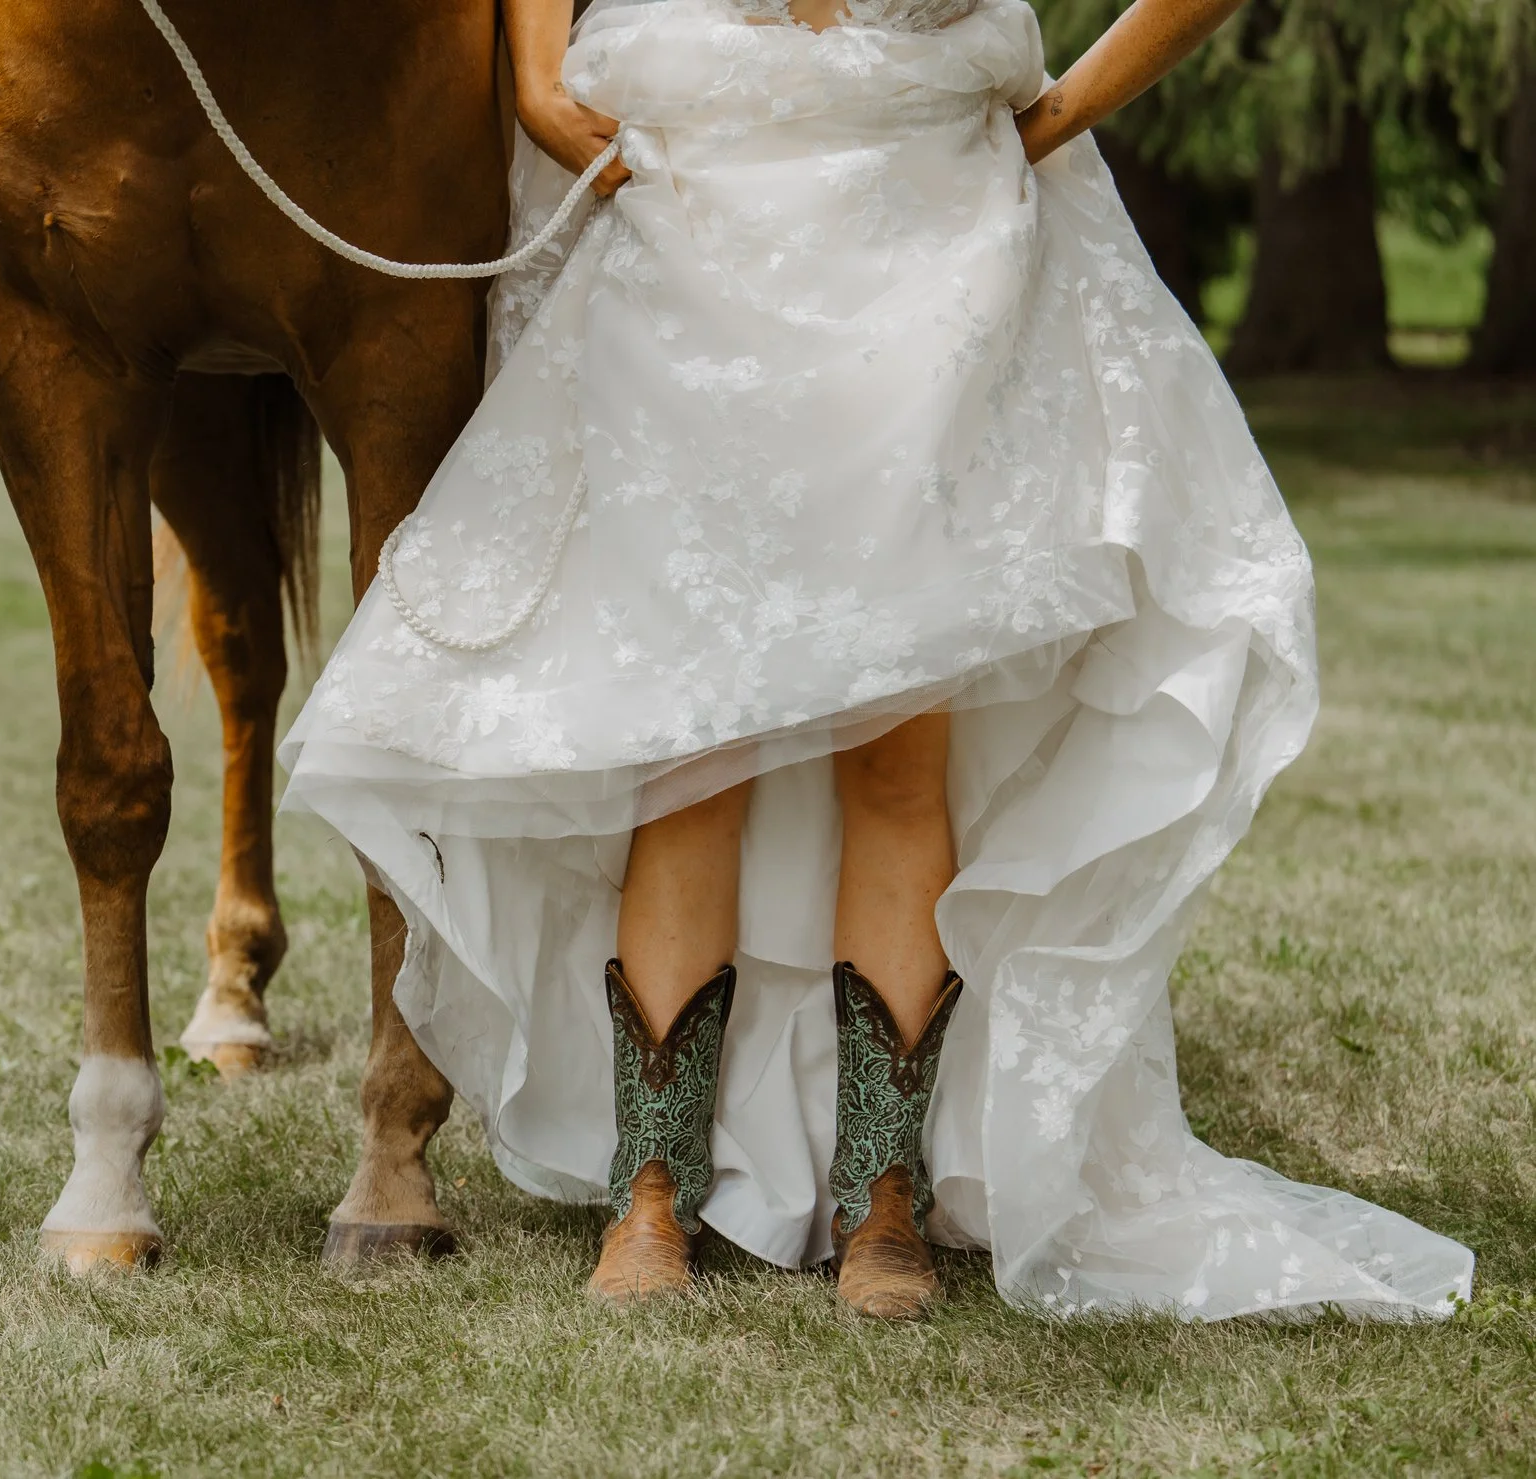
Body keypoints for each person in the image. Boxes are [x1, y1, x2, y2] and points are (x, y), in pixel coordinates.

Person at [280, 0, 1476, 1319]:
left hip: (926, 238)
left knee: (903, 751)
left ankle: (881, 1194)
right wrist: (529, 70)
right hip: (695, 224)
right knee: (690, 746)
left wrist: (1063, 112)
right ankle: (652, 1188)